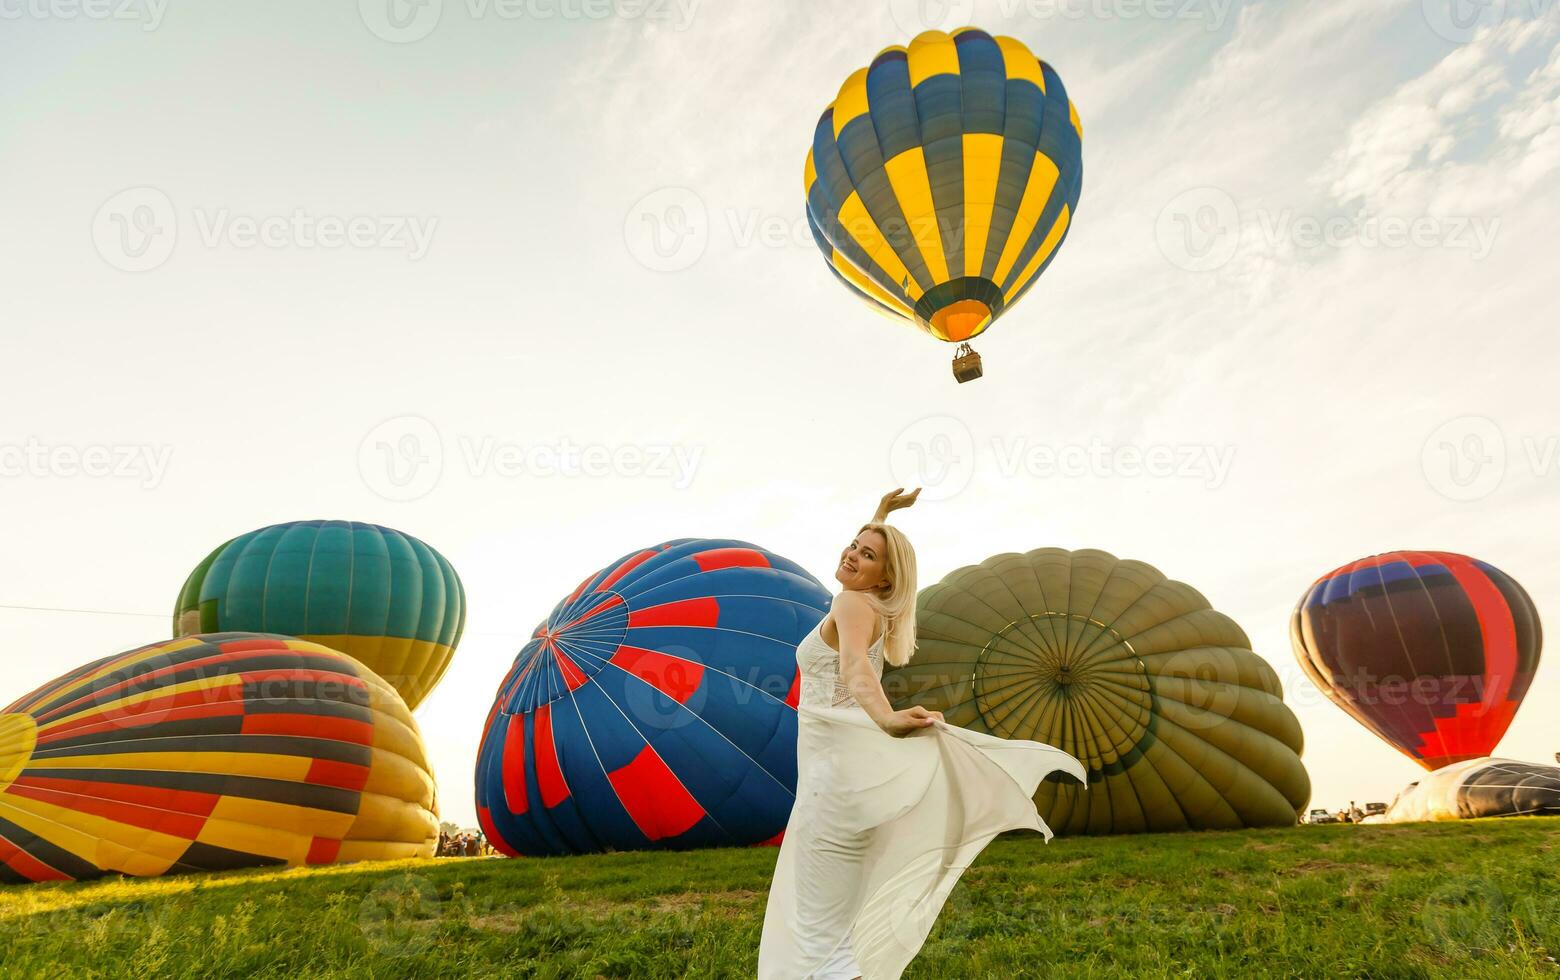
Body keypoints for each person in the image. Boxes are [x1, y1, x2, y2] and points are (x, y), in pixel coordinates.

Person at [758, 488, 1087, 980]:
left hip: (833, 788)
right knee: (833, 924)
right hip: (846, 781)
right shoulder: (865, 605)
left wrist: (888, 719)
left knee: (817, 933)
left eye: (867, 554)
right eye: (853, 545)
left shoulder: (851, 604)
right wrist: (881, 518)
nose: (851, 555)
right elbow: (865, 585)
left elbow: (855, 670)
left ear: (884, 576)